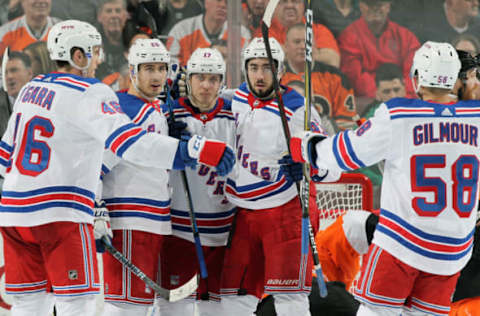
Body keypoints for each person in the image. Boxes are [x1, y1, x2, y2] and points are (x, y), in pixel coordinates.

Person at [0, 19, 234, 316]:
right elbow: (129, 143)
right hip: (62, 216)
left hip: (13, 215)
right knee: (78, 304)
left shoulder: (30, 89)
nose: (98, 59)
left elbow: (5, 156)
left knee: (28, 306)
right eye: (94, 52)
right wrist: (194, 148)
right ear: (77, 55)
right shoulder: (91, 91)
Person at [290, 41, 479, 315]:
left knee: (374, 312)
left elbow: (345, 154)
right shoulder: (476, 117)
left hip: (402, 246)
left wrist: (310, 147)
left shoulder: (399, 115)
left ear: (416, 78)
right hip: (451, 254)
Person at [219, 37, 338, 316]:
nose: (260, 76)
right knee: (232, 299)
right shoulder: (234, 99)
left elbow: (332, 166)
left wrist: (310, 169)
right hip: (244, 215)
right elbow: (201, 97)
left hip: (286, 213)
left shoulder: (298, 110)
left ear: (280, 70)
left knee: (290, 300)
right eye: (254, 67)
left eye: (267, 68)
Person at [155, 47, 236, 316]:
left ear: (222, 82)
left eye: (213, 79)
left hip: (222, 234)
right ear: (188, 79)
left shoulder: (234, 116)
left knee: (217, 310)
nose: (206, 85)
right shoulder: (169, 115)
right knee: (173, 309)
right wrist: (168, 139)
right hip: (179, 232)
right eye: (199, 77)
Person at [98, 38, 172, 316]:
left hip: (151, 220)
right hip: (130, 220)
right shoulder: (125, 110)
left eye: (161, 68)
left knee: (139, 307)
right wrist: (97, 208)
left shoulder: (155, 108)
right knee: (124, 306)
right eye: (148, 68)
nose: (156, 76)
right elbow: (96, 165)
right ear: (132, 71)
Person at [282, 23, 358, 132]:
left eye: (307, 42)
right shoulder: (275, 77)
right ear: (286, 46)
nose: (303, 46)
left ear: (315, 46)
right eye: (297, 42)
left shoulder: (336, 78)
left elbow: (348, 121)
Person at [338, 0, 420, 99]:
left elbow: (414, 76)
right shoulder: (348, 36)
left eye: (380, 4)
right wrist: (385, 95)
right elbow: (355, 78)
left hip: (403, 98)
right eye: (369, 4)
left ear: (388, 6)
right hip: (366, 102)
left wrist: (397, 96)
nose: (375, 8)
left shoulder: (406, 37)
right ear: (360, 6)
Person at [166, 0, 250, 66]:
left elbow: (246, 72)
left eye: (227, 2)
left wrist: (230, 62)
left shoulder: (241, 34)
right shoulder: (180, 31)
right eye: (218, 0)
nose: (223, 5)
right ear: (206, 2)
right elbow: (171, 71)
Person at [273, 0, 340, 68]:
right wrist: (312, 54)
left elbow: (332, 61)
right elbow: (265, 58)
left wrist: (284, 53)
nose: (289, 6)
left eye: (295, 1)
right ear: (274, 6)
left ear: (303, 6)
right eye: (283, 1)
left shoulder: (319, 30)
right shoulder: (265, 30)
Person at [0, 51, 33, 138]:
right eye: (5, 73)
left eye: (14, 70)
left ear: (29, 73)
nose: (9, 76)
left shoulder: (43, 99)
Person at [96, 0, 129, 80]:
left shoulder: (136, 41)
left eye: (118, 11)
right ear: (99, 17)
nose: (114, 15)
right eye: (109, 11)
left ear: (126, 15)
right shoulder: (93, 44)